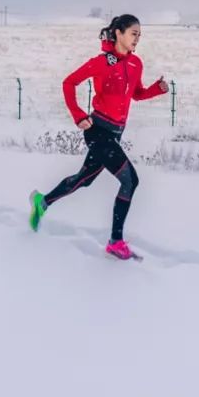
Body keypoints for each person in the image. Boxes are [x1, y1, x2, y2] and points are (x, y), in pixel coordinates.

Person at [28, 14, 167, 260]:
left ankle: (42, 201)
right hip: (97, 130)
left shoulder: (136, 64)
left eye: (140, 35)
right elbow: (69, 83)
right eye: (134, 33)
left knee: (85, 179)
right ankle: (115, 242)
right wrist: (78, 115)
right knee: (130, 181)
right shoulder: (101, 62)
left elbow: (136, 94)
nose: (137, 38)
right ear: (119, 33)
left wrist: (157, 89)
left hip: (115, 133)